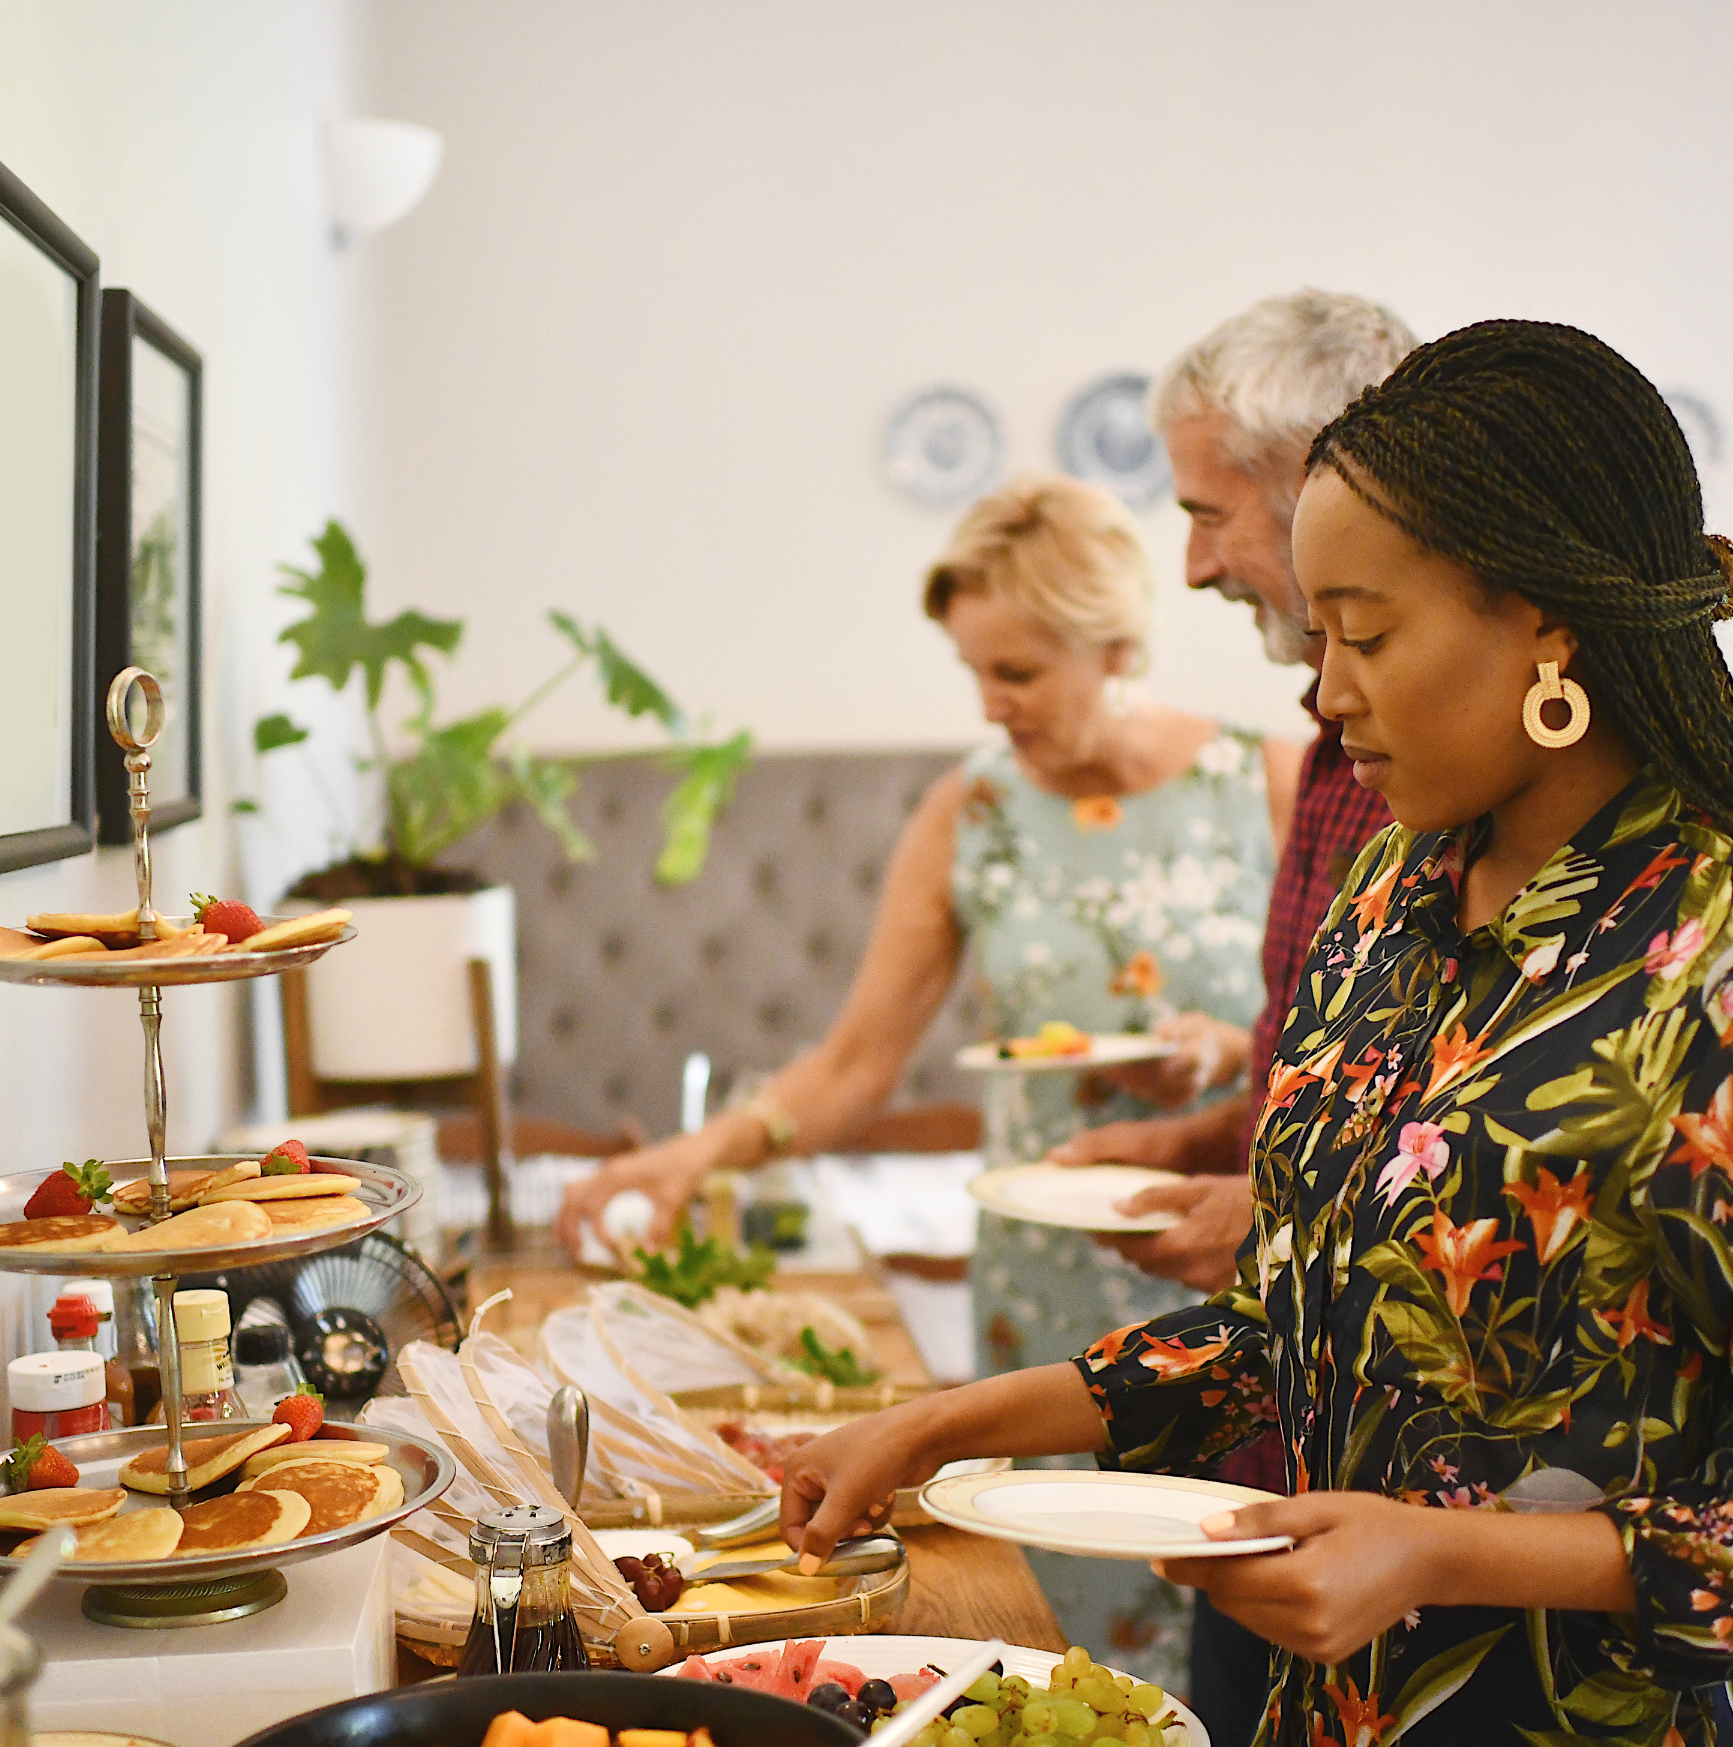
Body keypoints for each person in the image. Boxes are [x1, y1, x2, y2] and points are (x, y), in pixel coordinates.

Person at [778, 321, 1733, 1747]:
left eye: (1367, 634)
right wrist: (959, 1420)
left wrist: (1439, 1550)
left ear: (1543, 623)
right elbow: (1305, 1319)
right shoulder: (1396, 900)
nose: (1326, 691)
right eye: (1317, 636)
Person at [552, 471, 1299, 1684]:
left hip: (1233, 1257)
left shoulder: (1270, 780)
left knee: (1225, 1636)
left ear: (1113, 640)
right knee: (1055, 1626)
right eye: (974, 673)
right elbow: (856, 1064)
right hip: (1042, 1281)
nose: (992, 705)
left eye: (1019, 671)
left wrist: (1231, 1048)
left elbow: (1334, 1034)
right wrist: (694, 1152)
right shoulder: (973, 809)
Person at [1046, 289, 1413, 1747]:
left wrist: (1273, 1201)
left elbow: (1438, 1149)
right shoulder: (1346, 739)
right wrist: (1218, 1144)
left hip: (1384, 1498)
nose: (1188, 561)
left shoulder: (1440, 770)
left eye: (1203, 509)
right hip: (1269, 1421)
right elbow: (1323, 1072)